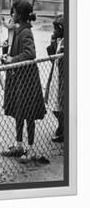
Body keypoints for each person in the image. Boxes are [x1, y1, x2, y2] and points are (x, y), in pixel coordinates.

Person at [1, 1, 46, 163]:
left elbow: (30, 53)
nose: (11, 15)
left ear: (19, 15)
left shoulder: (26, 31)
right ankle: (19, 144)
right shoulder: (17, 30)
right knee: (18, 111)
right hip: (17, 77)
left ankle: (31, 148)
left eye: (13, 13)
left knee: (29, 114)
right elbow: (15, 48)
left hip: (26, 78)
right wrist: (6, 50)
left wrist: (13, 59)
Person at [46, 14, 65, 143]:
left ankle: (64, 128)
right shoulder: (59, 41)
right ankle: (61, 125)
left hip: (63, 78)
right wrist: (52, 43)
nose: (54, 32)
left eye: (56, 29)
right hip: (56, 76)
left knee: (62, 104)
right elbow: (53, 59)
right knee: (54, 104)